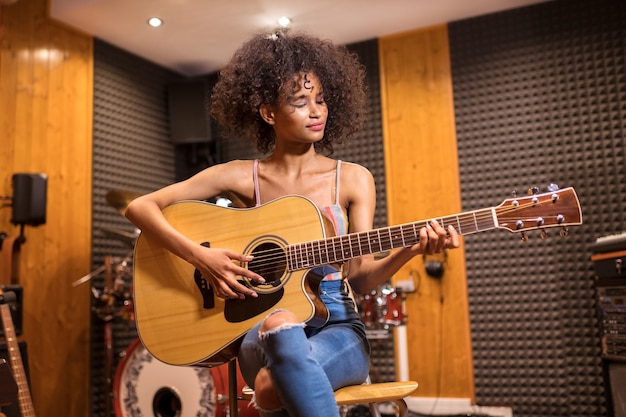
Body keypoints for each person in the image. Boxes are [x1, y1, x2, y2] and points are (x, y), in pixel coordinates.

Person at [125, 29, 459, 417]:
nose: (316, 111)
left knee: (283, 374)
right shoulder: (240, 176)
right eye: (300, 102)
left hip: (338, 325)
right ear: (269, 112)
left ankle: (273, 384)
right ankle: (275, 381)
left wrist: (412, 248)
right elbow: (141, 208)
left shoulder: (353, 179)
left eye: (320, 100)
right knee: (280, 323)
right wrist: (202, 257)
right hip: (258, 325)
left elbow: (360, 279)